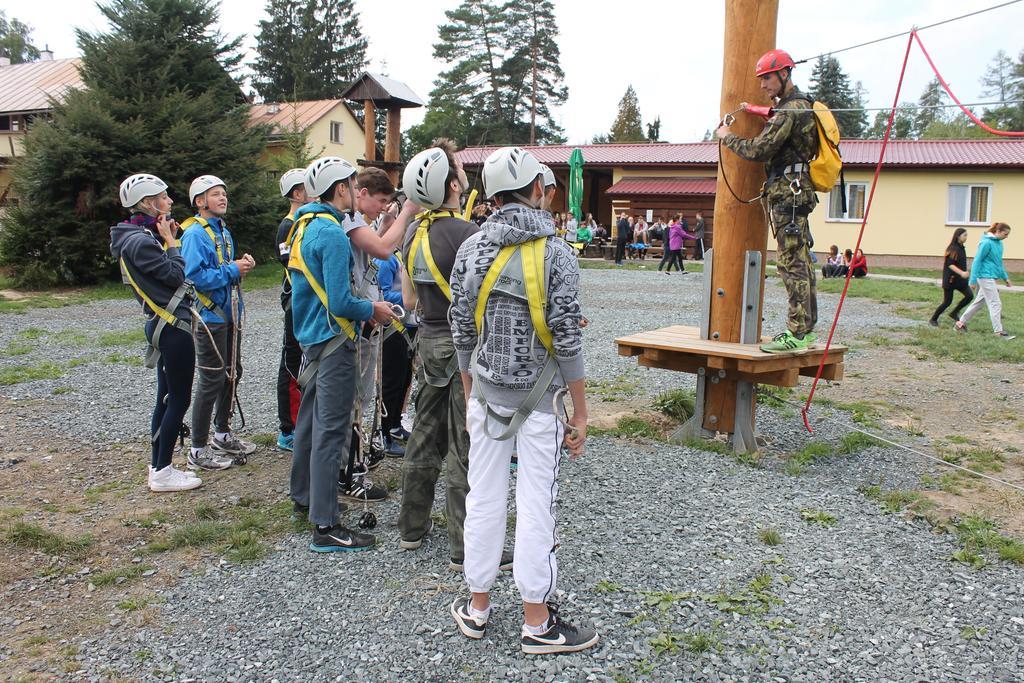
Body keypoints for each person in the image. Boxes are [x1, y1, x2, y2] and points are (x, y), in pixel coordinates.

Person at [449, 146, 596, 655]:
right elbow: (566, 336)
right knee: (537, 503)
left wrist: (471, 393)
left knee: (483, 497)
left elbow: (462, 329)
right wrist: (579, 409)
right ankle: (537, 622)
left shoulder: (470, 249)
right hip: (541, 398)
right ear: (536, 189)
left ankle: (477, 606)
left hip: (486, 396)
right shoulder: (556, 252)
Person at [397, 140, 514, 571]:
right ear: (450, 185)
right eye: (461, 172)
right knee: (467, 445)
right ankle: (464, 546)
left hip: (426, 344)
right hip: (462, 349)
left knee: (424, 437)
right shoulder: (468, 234)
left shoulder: (412, 233)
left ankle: (411, 527)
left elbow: (409, 299)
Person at [287, 156, 396, 552]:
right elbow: (341, 301)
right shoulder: (331, 233)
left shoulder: (306, 225)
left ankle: (304, 496)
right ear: (340, 190)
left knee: (310, 424)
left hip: (314, 340)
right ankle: (326, 525)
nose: (355, 191)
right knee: (331, 431)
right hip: (334, 341)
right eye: (352, 185)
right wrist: (374, 310)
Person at [717, 48, 819, 353]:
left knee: (791, 264)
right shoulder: (798, 105)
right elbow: (779, 121)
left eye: (767, 79)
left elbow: (761, 148)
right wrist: (755, 110)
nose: (763, 85)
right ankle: (806, 330)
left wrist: (727, 136)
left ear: (784, 74)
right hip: (795, 190)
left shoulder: (790, 109)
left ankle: (798, 332)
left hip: (789, 192)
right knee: (800, 261)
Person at [111, 174, 201, 493]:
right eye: (164, 197)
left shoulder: (136, 238)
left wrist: (165, 240)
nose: (171, 202)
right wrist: (173, 245)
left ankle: (159, 465)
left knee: (165, 397)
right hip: (172, 327)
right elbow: (176, 275)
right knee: (177, 398)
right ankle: (162, 471)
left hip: (164, 324)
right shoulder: (140, 242)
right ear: (149, 203)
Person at [339, 167, 421, 503]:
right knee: (353, 401)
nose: (383, 208)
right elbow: (383, 250)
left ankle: (353, 463)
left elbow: (378, 244)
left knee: (360, 398)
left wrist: (387, 223)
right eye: (381, 201)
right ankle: (348, 473)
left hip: (364, 322)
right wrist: (408, 211)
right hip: (354, 323)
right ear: (360, 193)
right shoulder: (348, 222)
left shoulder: (356, 222)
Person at [180, 175, 256, 470]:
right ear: (200, 202)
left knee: (231, 373)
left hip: (229, 314)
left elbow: (222, 269)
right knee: (211, 378)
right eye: (215, 194)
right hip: (210, 317)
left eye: (224, 193)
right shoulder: (195, 235)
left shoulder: (222, 231)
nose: (223, 198)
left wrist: (240, 266)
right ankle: (197, 450)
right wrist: (232, 270)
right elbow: (195, 277)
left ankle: (222, 433)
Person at [275, 169, 308, 452]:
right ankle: (288, 428)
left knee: (301, 361)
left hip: (304, 302)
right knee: (291, 362)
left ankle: (300, 423)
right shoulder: (288, 226)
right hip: (294, 302)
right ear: (297, 193)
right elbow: (292, 264)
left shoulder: (304, 222)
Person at [374, 245, 415, 458]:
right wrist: (412, 294)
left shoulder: (401, 254)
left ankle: (396, 424)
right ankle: (383, 434)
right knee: (391, 382)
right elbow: (383, 293)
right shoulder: (387, 258)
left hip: (409, 326)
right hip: (393, 328)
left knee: (405, 378)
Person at [956, 222, 1014, 339]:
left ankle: (960, 324)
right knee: (995, 303)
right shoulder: (986, 243)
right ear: (998, 231)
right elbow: (977, 261)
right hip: (984, 276)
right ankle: (998, 332)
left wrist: (1005, 277)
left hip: (991, 277)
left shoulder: (999, 244)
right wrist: (972, 281)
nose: (1006, 237)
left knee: (979, 303)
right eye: (1005, 234)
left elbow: (999, 263)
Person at [930, 229, 973, 326]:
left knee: (969, 296)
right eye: (964, 235)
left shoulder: (961, 248)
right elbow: (950, 264)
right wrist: (961, 272)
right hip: (950, 280)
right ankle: (933, 319)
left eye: (967, 235)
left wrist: (964, 274)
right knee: (947, 302)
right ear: (958, 236)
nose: (966, 237)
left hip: (960, 281)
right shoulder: (953, 249)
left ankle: (954, 312)